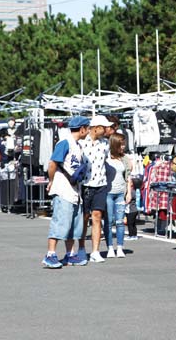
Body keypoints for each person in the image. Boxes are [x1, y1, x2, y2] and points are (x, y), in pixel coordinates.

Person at [42, 116, 90, 269]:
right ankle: (50, 254)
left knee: (73, 225)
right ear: (81, 129)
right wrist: (51, 181)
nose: (88, 131)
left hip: (74, 191)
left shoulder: (78, 146)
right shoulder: (64, 143)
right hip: (63, 189)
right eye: (87, 128)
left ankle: (70, 254)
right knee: (60, 223)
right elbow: (52, 163)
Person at [78, 115, 113, 263]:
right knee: (84, 218)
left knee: (97, 216)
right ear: (96, 127)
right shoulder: (80, 143)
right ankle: (80, 248)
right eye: (104, 127)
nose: (107, 130)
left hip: (101, 184)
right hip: (85, 184)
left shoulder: (105, 143)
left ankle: (95, 251)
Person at [104, 132, 133, 259]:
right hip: (108, 193)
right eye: (121, 144)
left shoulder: (125, 159)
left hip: (121, 192)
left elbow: (128, 177)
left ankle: (120, 247)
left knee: (120, 221)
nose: (123, 147)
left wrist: (129, 193)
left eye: (124, 144)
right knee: (109, 221)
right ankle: (110, 247)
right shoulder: (106, 158)